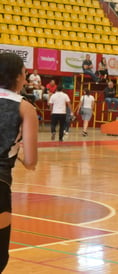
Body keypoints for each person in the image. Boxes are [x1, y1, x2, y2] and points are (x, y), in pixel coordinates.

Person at [0, 52, 38, 272]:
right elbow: (31, 160)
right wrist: (20, 156)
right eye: (25, 73)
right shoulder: (25, 107)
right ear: (16, 76)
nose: (26, 78)